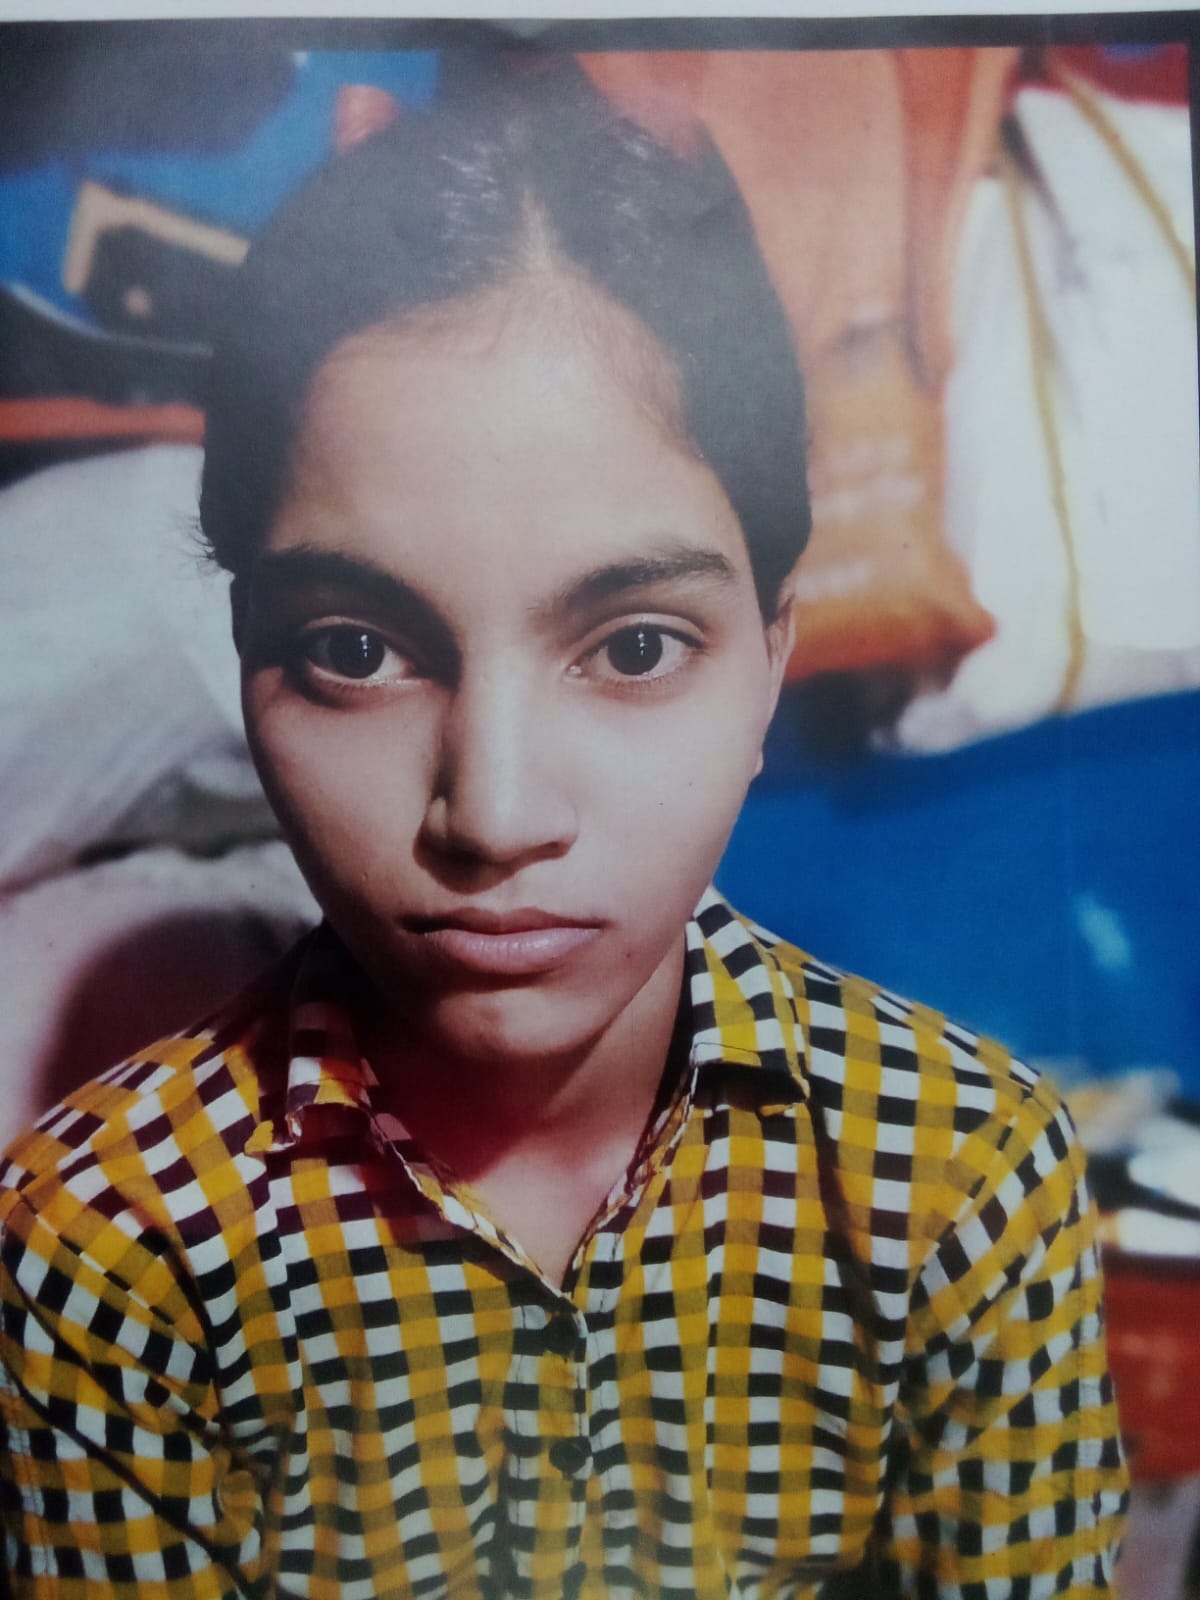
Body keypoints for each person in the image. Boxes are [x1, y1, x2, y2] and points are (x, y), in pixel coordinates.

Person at [0, 56, 1126, 1600]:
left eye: (636, 646)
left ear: (772, 660)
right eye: (353, 648)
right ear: (247, 658)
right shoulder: (100, 1241)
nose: (495, 813)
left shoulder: (965, 1179)